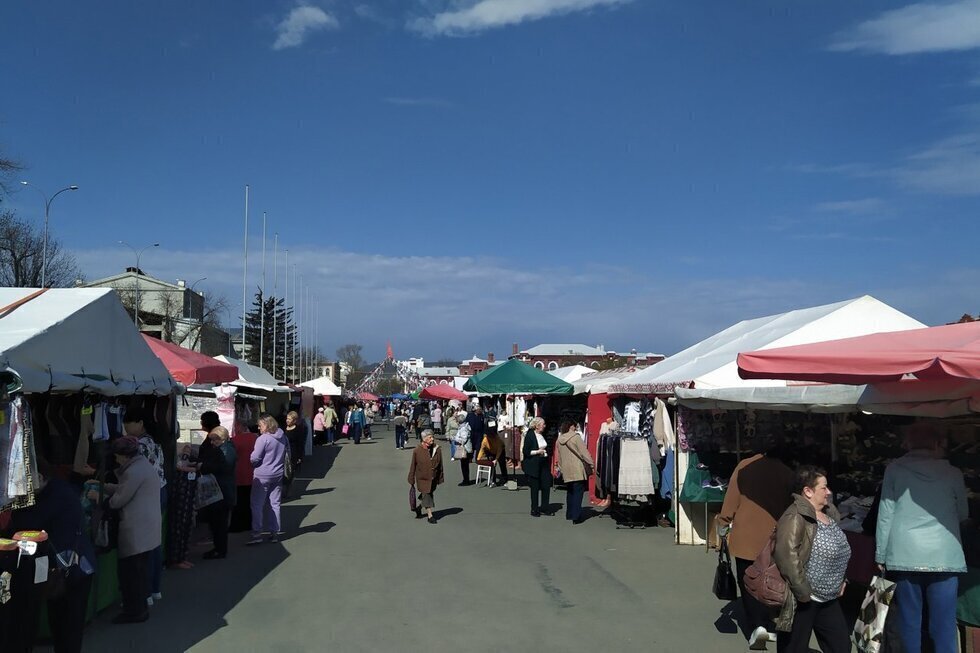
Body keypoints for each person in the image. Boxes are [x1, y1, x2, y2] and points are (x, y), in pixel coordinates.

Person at [876, 423, 969, 653]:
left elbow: (885, 513)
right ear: (938, 443)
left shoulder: (894, 469)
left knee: (909, 621)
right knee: (944, 624)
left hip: (905, 553)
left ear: (908, 443)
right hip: (945, 555)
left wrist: (881, 552)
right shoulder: (953, 473)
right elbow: (963, 513)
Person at [4, 460, 97, 653]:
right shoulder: (54, 491)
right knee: (61, 626)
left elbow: (25, 524)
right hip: (67, 569)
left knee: (67, 631)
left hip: (71, 571)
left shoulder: (56, 497)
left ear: (39, 477)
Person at [718, 447, 795, 649]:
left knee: (748, 580)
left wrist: (723, 522)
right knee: (771, 579)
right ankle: (769, 622)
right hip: (773, 536)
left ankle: (757, 626)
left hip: (745, 534)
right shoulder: (787, 472)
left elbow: (731, 499)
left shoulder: (744, 466)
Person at [773, 466, 851, 653]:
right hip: (804, 598)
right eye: (823, 488)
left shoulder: (829, 514)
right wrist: (802, 592)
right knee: (793, 648)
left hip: (828, 597)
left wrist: (842, 579)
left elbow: (840, 551)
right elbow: (786, 555)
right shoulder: (795, 516)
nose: (829, 492)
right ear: (808, 491)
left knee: (841, 646)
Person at [101, 436, 162, 624]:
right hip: (148, 528)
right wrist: (107, 487)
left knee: (131, 575)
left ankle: (134, 612)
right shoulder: (142, 466)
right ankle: (139, 609)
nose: (117, 460)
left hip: (136, 530)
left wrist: (100, 497)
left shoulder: (133, 471)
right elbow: (126, 489)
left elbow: (119, 500)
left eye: (118, 456)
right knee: (139, 572)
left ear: (123, 456)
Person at [125, 409, 165, 605]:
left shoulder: (139, 445)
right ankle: (154, 588)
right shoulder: (154, 442)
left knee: (144, 546)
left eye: (128, 424)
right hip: (159, 490)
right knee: (154, 543)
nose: (126, 429)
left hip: (147, 494)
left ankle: (146, 591)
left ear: (140, 423)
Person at [195, 426, 237, 559]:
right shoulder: (222, 449)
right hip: (219, 490)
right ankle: (218, 548)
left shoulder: (227, 451)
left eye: (215, 440)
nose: (212, 443)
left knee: (220, 524)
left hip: (223, 491)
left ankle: (220, 550)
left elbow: (224, 467)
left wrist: (204, 467)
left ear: (223, 438)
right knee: (216, 523)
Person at [248, 414, 289, 545]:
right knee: (275, 503)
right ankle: (275, 532)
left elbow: (254, 458)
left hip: (262, 474)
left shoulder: (263, 439)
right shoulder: (283, 436)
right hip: (278, 473)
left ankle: (257, 534)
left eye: (260, 425)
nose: (259, 428)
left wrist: (253, 461)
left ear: (266, 424)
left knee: (257, 504)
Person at [556, 420, 595, 523]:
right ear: (571, 426)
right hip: (577, 468)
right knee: (578, 492)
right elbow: (584, 453)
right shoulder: (576, 438)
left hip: (567, 469)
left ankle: (569, 514)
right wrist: (592, 464)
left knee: (570, 492)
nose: (576, 428)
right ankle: (576, 516)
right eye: (575, 426)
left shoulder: (559, 440)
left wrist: (561, 468)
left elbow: (559, 457)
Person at [169, 444, 198, 569]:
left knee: (184, 527)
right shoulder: (179, 462)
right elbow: (179, 466)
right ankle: (178, 558)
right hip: (182, 497)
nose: (187, 452)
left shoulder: (184, 460)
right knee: (180, 527)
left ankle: (182, 557)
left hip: (186, 497)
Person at [408, 429, 444, 524]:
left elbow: (440, 465)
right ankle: (430, 515)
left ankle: (419, 508)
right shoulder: (417, 450)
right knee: (427, 494)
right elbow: (413, 465)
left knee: (428, 493)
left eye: (433, 437)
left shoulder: (437, 449)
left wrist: (440, 477)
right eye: (430, 437)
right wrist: (411, 478)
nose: (432, 439)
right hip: (422, 478)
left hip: (433, 477)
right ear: (424, 439)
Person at [230, 423, 259, 533]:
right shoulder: (256, 438)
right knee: (250, 501)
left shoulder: (235, 440)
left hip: (239, 474)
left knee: (238, 501)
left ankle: (237, 525)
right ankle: (249, 523)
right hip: (253, 473)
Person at [522, 417, 552, 517]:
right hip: (534, 464)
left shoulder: (542, 435)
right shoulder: (530, 435)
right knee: (535, 488)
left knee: (546, 485)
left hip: (543, 463)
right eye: (543, 424)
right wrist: (537, 452)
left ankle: (545, 507)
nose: (544, 426)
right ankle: (534, 509)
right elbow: (526, 451)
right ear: (537, 425)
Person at [452, 411, 473, 485]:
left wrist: (455, 439)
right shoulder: (463, 427)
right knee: (464, 465)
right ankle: (465, 479)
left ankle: (466, 480)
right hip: (466, 448)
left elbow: (464, 439)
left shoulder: (464, 428)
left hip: (465, 449)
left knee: (464, 465)